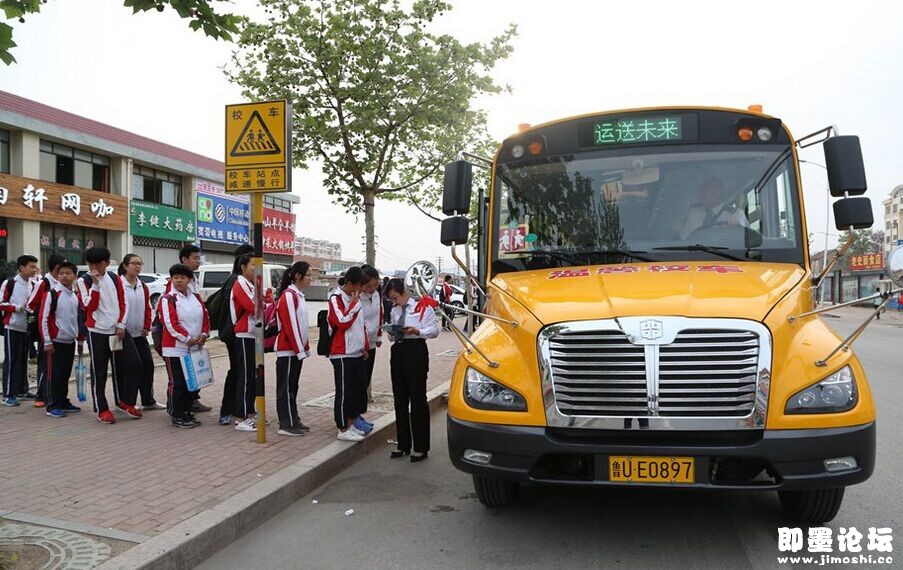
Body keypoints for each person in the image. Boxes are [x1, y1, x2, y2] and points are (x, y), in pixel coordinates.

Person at [78, 246, 135, 424]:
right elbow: (88, 307)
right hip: (97, 333)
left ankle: (123, 401)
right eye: (91, 264)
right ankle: (101, 408)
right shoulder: (84, 280)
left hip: (116, 330)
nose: (94, 268)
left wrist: (121, 324)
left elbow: (123, 302)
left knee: (131, 365)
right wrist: (95, 284)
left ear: (107, 263)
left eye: (98, 264)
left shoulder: (114, 277)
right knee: (100, 371)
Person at [385, 278, 438, 462]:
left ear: (404, 292)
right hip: (398, 350)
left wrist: (417, 331)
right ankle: (403, 444)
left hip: (416, 350)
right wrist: (391, 333)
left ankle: (421, 447)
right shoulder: (394, 310)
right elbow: (392, 336)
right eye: (391, 299)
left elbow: (434, 330)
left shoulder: (422, 306)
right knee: (399, 399)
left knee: (417, 398)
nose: (394, 302)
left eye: (396, 297)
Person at [158, 264, 210, 429]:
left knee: (191, 383)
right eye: (176, 278)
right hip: (175, 348)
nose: (179, 281)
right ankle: (176, 414)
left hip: (194, 347)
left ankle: (187, 411)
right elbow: (169, 323)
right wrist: (186, 338)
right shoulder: (168, 299)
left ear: (189, 280)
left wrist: (203, 334)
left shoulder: (195, 297)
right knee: (178, 382)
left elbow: (205, 316)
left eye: (182, 277)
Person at [327, 266, 371, 442]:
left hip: (356, 352)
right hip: (342, 353)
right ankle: (342, 428)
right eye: (358, 286)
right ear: (350, 283)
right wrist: (353, 305)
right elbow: (342, 322)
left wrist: (365, 346)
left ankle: (352, 423)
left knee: (357, 391)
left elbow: (361, 325)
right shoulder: (335, 298)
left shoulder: (356, 299)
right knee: (344, 392)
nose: (360, 291)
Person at [213, 243, 255, 426]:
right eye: (252, 261)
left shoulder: (248, 282)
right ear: (242, 262)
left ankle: (244, 409)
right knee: (239, 373)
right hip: (235, 334)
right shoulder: (236, 282)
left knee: (244, 373)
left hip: (242, 333)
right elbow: (252, 308)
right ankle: (231, 411)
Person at [117, 254, 164, 411]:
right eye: (134, 263)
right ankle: (123, 401)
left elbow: (146, 307)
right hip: (123, 333)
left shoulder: (143, 286)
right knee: (129, 366)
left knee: (148, 365)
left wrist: (146, 325)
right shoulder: (118, 284)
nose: (137, 267)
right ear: (125, 266)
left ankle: (148, 400)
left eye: (140, 263)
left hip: (139, 333)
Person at [38, 261, 83, 418]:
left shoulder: (75, 296)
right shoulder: (52, 294)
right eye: (61, 273)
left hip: (69, 341)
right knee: (53, 375)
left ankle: (63, 401)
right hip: (54, 342)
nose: (64, 276)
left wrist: (80, 340)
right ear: (57, 275)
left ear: (74, 276)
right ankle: (52, 405)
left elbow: (77, 319)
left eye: (68, 273)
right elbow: (43, 318)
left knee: (64, 374)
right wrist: (47, 341)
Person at [273, 261, 313, 436]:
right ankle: (286, 423)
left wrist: (304, 348)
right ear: (298, 276)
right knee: (285, 388)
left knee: (292, 386)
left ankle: (293, 418)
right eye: (309, 275)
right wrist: (299, 350)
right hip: (288, 350)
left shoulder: (299, 295)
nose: (311, 278)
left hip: (296, 350)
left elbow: (303, 326)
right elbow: (290, 325)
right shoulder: (289, 295)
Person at [28, 253, 67, 408]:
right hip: (46, 333)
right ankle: (41, 394)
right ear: (57, 268)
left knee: (60, 367)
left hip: (62, 333)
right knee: (45, 365)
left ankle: (58, 396)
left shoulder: (66, 284)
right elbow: (31, 305)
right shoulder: (44, 283)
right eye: (64, 267)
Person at [1, 255, 39, 406]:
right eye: (31, 267)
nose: (34, 270)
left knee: (23, 360)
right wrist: (18, 308)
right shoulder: (10, 283)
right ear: (22, 268)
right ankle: (8, 394)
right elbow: (1, 303)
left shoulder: (34, 284)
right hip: (12, 327)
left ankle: (22, 390)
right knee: (11, 361)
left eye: (35, 267)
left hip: (27, 328)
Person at [231, 253, 258, 432]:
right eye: (253, 266)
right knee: (245, 377)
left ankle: (249, 413)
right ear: (243, 267)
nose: (256, 269)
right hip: (243, 335)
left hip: (253, 335)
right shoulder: (240, 283)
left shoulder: (251, 284)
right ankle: (240, 417)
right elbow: (253, 306)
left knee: (252, 377)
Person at [680, 177, 748, 239]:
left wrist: (735, 231)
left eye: (706, 191)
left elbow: (746, 242)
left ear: (718, 193)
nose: (701, 194)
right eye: (701, 191)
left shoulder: (736, 215)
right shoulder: (693, 214)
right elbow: (684, 239)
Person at [360, 265, 383, 409]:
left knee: (366, 377)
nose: (372, 288)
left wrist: (379, 336)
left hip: (372, 342)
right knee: (359, 380)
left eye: (375, 285)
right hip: (360, 345)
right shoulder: (356, 296)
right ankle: (356, 413)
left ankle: (361, 411)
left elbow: (379, 314)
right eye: (369, 286)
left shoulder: (376, 294)